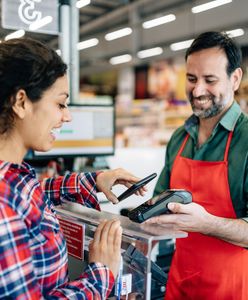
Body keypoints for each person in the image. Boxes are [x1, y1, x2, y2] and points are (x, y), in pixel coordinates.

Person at [0, 38, 145, 299]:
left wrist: (93, 180)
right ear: (21, 102)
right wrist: (101, 274)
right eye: (60, 104)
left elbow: (31, 193)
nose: (66, 117)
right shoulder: (3, 206)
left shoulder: (14, 175)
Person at [146, 31, 248, 299]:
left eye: (210, 80)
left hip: (232, 289)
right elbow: (160, 203)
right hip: (180, 283)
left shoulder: (246, 140)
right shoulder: (180, 137)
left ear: (235, 78)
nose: (198, 90)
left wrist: (208, 224)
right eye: (191, 79)